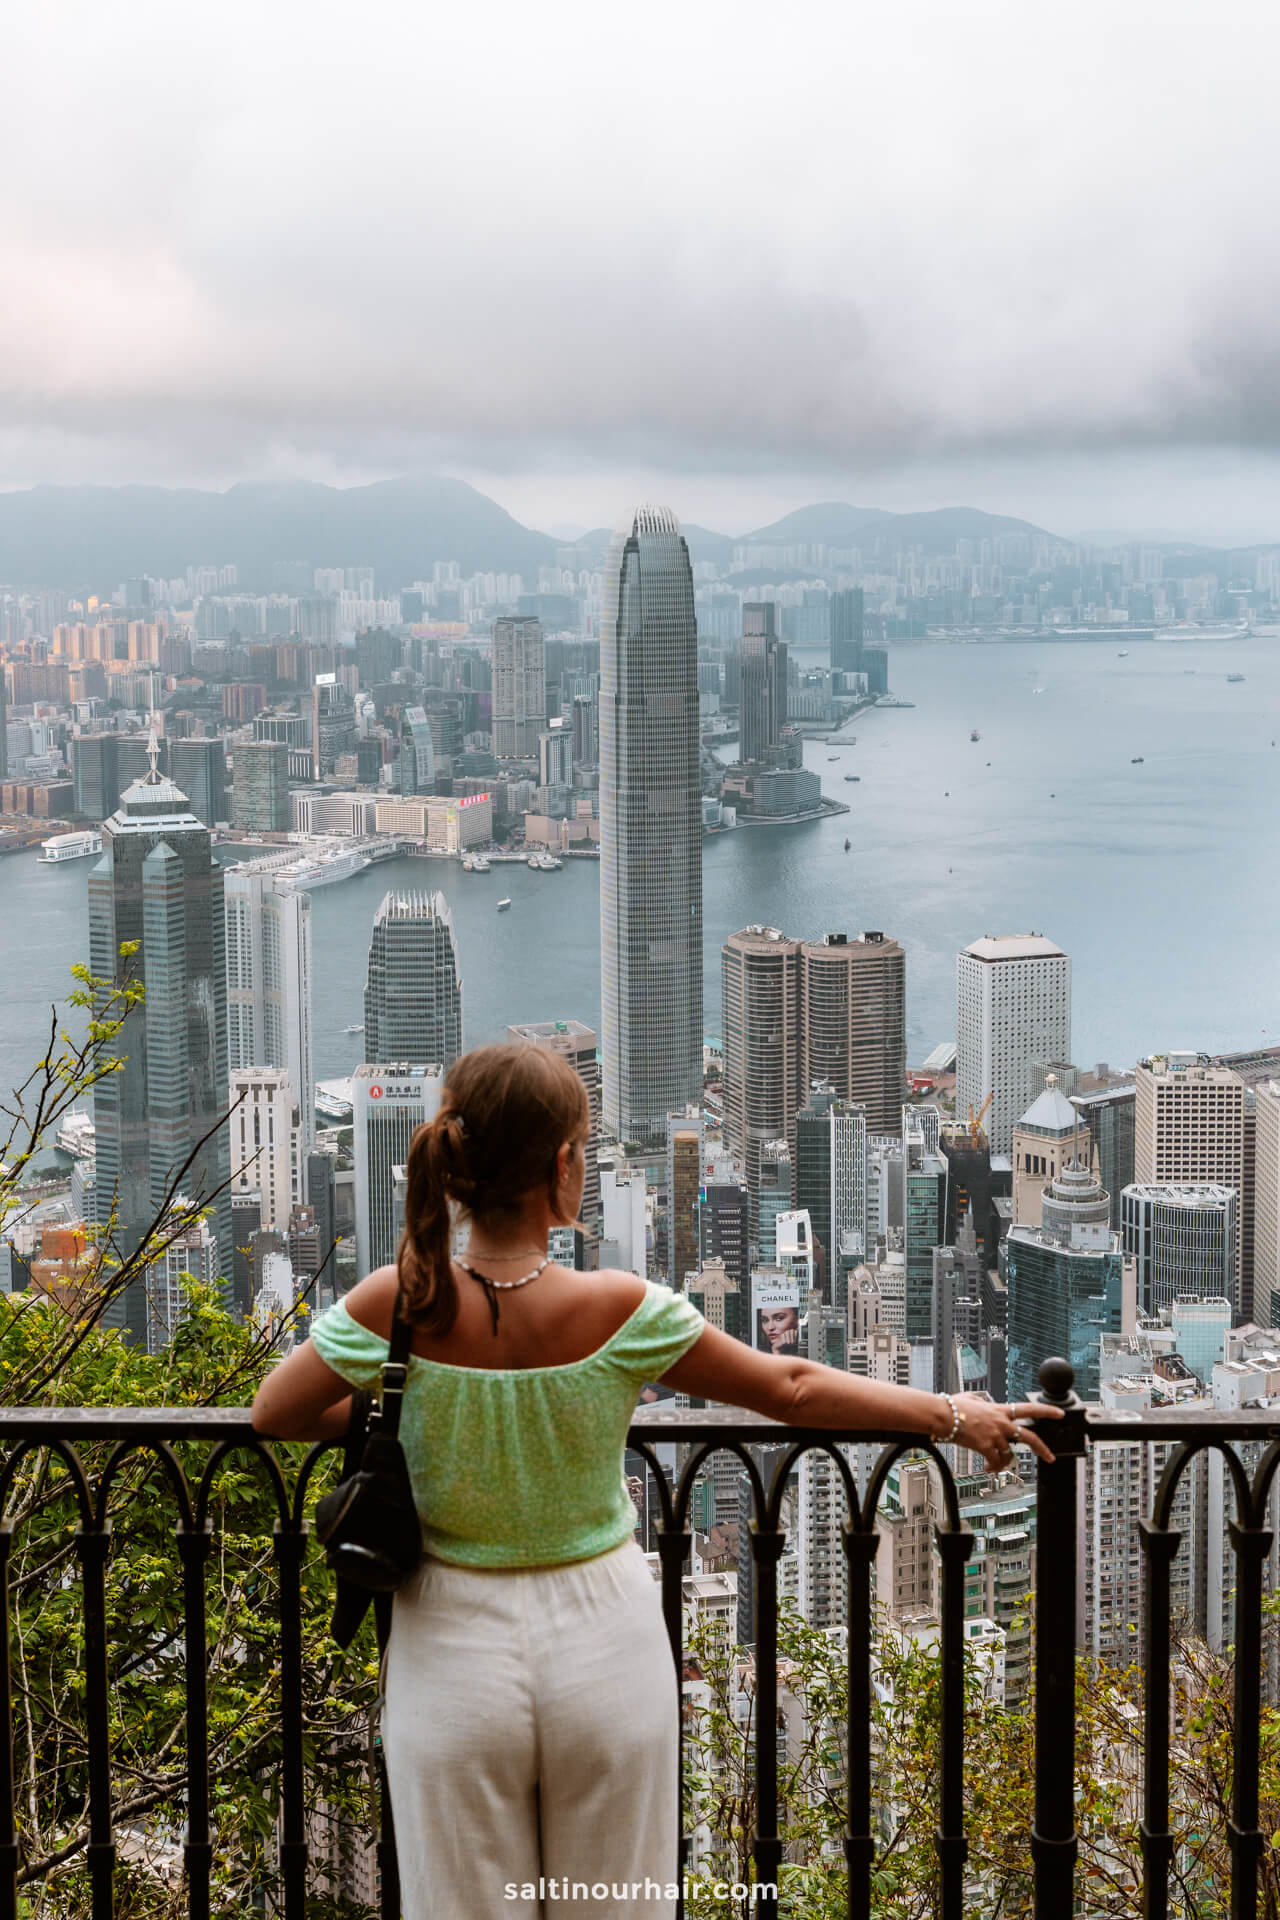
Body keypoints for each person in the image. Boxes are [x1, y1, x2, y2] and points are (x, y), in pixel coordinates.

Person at [252, 1043, 1061, 1920]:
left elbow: (276, 1413)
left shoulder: (396, 1302)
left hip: (449, 1651)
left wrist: (398, 1420)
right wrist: (950, 1413)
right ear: (564, 1166)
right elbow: (790, 1387)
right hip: (605, 1643)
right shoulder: (621, 1310)